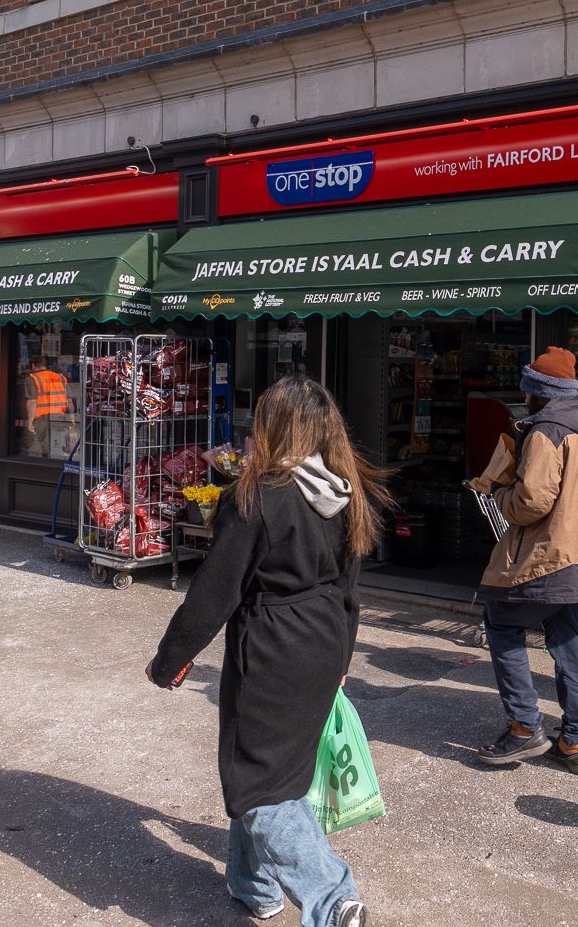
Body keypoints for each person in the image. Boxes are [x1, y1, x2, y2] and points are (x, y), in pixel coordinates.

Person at [147, 376, 386, 927]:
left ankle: (332, 897)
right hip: (325, 643)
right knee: (276, 767)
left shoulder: (256, 494)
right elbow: (350, 591)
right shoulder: (345, 492)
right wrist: (343, 662)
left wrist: (170, 660)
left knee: (258, 785)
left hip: (272, 650)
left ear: (272, 426)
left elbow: (214, 592)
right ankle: (254, 886)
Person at [474, 346, 578, 776]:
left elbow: (530, 503)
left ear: (541, 392)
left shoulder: (545, 432)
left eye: (527, 390)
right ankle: (574, 741)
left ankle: (524, 727)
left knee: (501, 621)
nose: (524, 397)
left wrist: (497, 492)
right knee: (571, 640)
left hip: (550, 557)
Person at [21, 355, 70, 457]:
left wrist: (30, 421)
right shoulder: (59, 377)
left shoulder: (32, 379)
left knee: (39, 444)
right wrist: (72, 417)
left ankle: (44, 462)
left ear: (33, 366)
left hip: (42, 418)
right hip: (59, 416)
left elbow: (32, 402)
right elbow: (69, 399)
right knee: (56, 443)